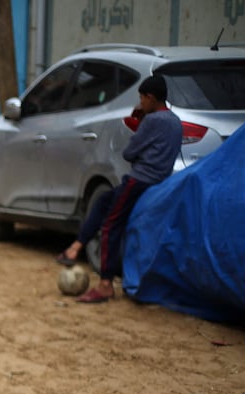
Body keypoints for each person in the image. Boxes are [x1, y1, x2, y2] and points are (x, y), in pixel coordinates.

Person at [55, 75, 183, 303]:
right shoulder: (175, 121)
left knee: (111, 225)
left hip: (139, 180)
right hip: (157, 181)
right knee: (104, 199)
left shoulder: (153, 121)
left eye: (142, 98)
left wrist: (141, 123)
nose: (140, 103)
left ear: (151, 98)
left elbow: (129, 153)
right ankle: (75, 247)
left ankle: (105, 284)